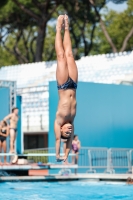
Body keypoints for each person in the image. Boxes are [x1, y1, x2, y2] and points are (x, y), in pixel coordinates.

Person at [54, 14, 78, 162]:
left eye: (66, 132)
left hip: (63, 85)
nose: (69, 131)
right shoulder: (72, 121)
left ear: (61, 130)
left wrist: (59, 154)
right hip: (74, 85)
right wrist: (67, 154)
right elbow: (69, 141)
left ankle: (58, 28)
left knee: (61, 56)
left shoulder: (59, 121)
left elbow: (59, 140)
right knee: (69, 54)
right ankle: (67, 27)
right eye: (70, 132)